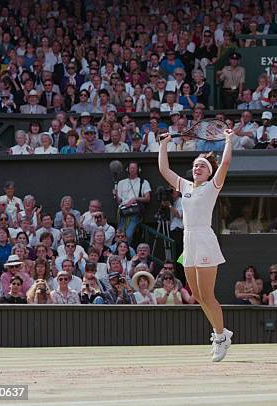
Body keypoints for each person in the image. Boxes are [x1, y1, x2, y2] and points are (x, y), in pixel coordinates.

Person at [158, 125, 234, 362]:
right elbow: (163, 168)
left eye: (202, 165)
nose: (197, 168)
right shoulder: (185, 186)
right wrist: (163, 144)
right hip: (188, 241)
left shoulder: (213, 186)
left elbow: (225, 164)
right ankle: (221, 332)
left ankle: (221, 337)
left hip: (205, 241)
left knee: (208, 296)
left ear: (209, 171)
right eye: (195, 165)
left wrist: (228, 141)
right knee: (198, 296)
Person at [114, 162, 151, 244]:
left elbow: (147, 198)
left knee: (128, 234)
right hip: (123, 211)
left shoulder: (143, 182)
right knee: (119, 234)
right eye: (131, 168)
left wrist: (135, 199)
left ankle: (126, 251)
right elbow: (119, 201)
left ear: (138, 169)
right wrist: (115, 193)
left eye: (134, 168)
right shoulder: (121, 183)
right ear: (127, 169)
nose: (132, 170)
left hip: (134, 211)